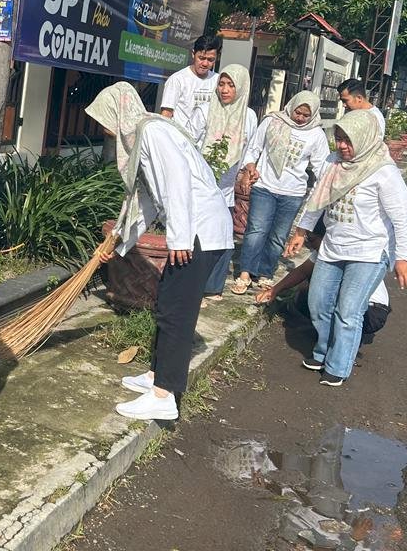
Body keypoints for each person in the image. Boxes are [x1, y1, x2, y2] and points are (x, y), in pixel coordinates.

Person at [87, 82, 234, 421]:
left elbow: (178, 180)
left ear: (118, 112)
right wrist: (120, 243)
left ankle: (164, 395)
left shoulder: (153, 132)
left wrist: (180, 238)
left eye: (104, 120)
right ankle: (156, 376)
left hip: (198, 232)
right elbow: (148, 202)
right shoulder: (147, 134)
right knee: (168, 304)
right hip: (195, 230)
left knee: (176, 314)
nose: (105, 130)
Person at [283, 110, 407, 387]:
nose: (342, 146)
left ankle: (338, 365)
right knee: (319, 302)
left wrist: (403, 258)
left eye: (348, 140)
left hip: (370, 252)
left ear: (365, 138)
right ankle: (323, 352)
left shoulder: (383, 172)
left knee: (349, 310)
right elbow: (317, 197)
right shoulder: (333, 163)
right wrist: (301, 231)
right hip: (334, 247)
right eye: (339, 139)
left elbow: (404, 218)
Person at [229, 91, 329, 295]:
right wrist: (250, 167)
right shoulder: (273, 122)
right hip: (265, 186)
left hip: (293, 193)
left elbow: (321, 168)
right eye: (297, 112)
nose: (300, 118)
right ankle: (246, 273)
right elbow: (254, 149)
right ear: (291, 107)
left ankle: (265, 272)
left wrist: (325, 191)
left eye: (305, 115)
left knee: (278, 236)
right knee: (256, 230)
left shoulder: (316, 135)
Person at [255, 221, 392, 353]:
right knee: (307, 291)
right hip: (362, 309)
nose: (309, 244)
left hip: (371, 312)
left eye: (312, 239)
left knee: (321, 293)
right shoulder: (325, 252)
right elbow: (302, 271)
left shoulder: (344, 252)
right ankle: (336, 335)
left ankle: (345, 343)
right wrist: (274, 290)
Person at [196, 64, 257, 304]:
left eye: (231, 85)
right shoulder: (204, 110)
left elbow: (250, 148)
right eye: (221, 83)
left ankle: (213, 286)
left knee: (223, 236)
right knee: (199, 237)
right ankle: (196, 285)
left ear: (241, 87)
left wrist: (247, 170)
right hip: (203, 184)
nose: (224, 89)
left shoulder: (248, 116)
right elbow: (192, 141)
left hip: (228, 187)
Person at [159, 34, 222, 141]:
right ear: (193, 54)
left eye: (210, 60)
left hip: (209, 144)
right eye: (201, 58)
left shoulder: (218, 80)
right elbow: (166, 115)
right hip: (181, 142)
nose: (205, 63)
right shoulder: (178, 79)